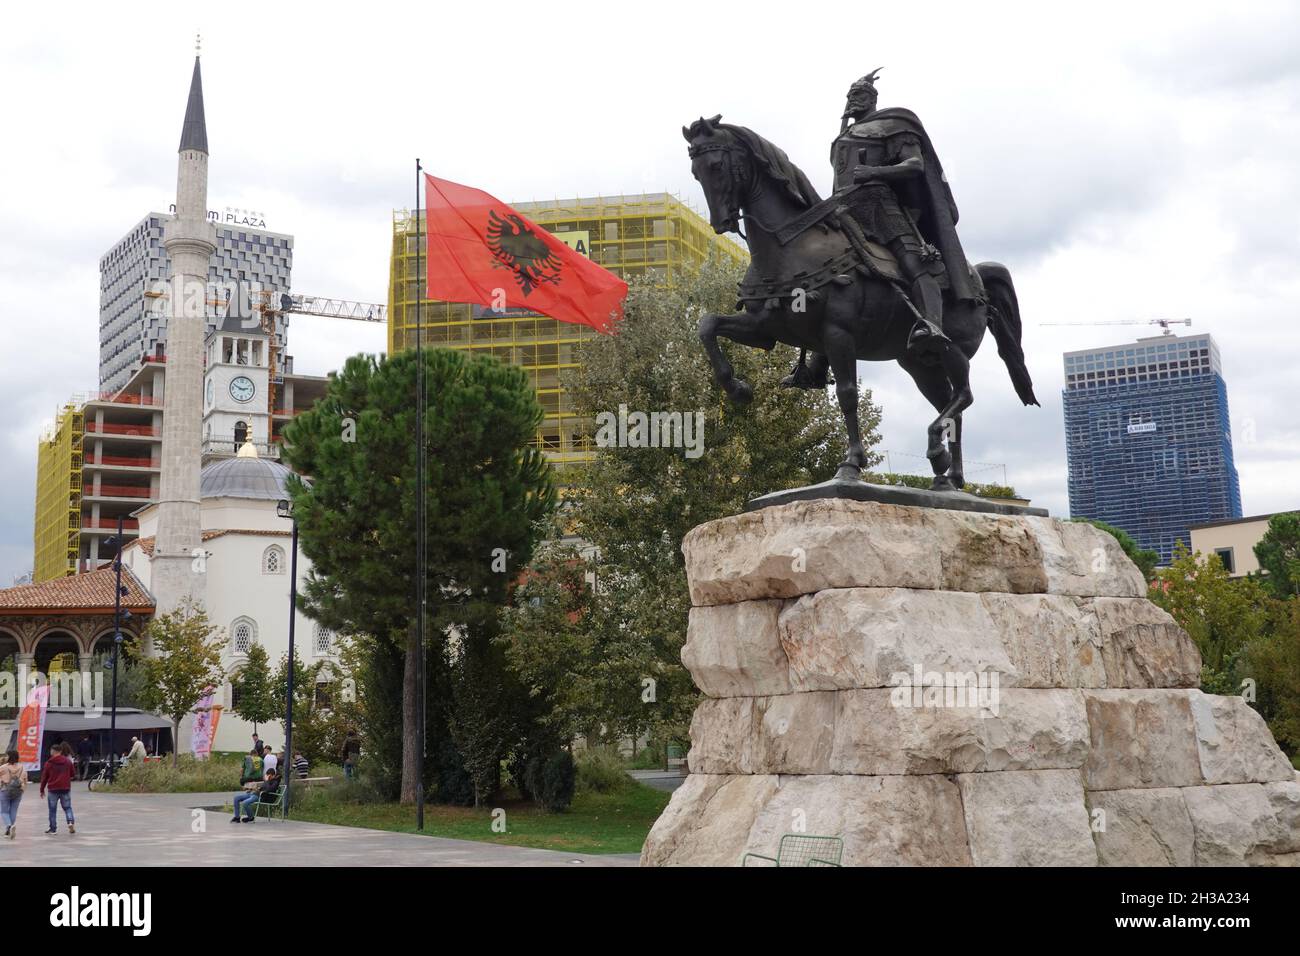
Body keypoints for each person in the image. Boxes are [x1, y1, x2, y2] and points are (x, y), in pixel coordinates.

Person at [40, 743, 76, 835]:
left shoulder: (49, 763)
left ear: (52, 751)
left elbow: (44, 777)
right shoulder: (68, 761)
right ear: (60, 751)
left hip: (53, 789)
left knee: (52, 810)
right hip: (65, 787)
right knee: (67, 807)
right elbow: (73, 774)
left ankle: (53, 829)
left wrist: (42, 789)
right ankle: (70, 822)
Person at [0, 751, 26, 840]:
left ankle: (9, 825)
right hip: (18, 791)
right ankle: (10, 828)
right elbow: (25, 778)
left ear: (9, 757)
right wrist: (23, 789)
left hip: (5, 790)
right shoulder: (22, 767)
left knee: (3, 811)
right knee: (13, 810)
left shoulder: (3, 767)